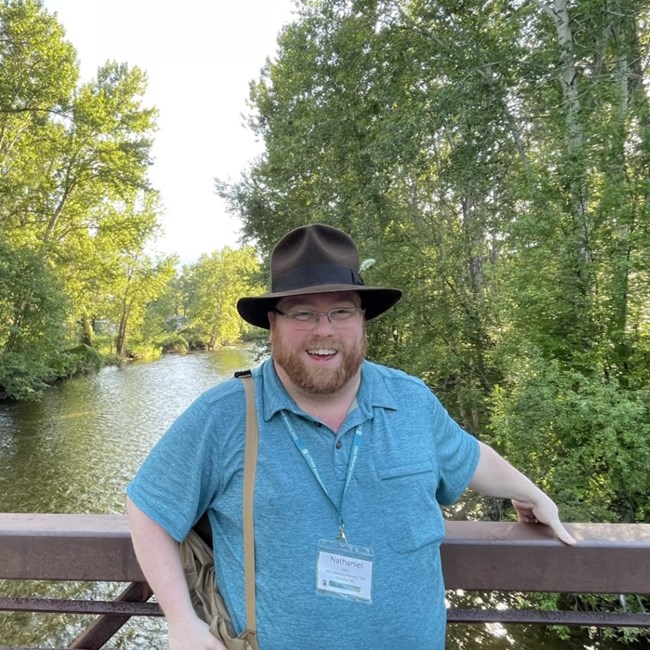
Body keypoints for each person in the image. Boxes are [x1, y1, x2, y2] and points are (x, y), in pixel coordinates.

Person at [126, 223, 575, 650]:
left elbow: (466, 455)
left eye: (340, 311)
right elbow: (149, 507)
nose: (324, 330)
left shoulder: (410, 400)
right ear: (273, 323)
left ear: (362, 320)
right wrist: (182, 622)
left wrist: (530, 491)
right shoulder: (223, 415)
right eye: (303, 313)